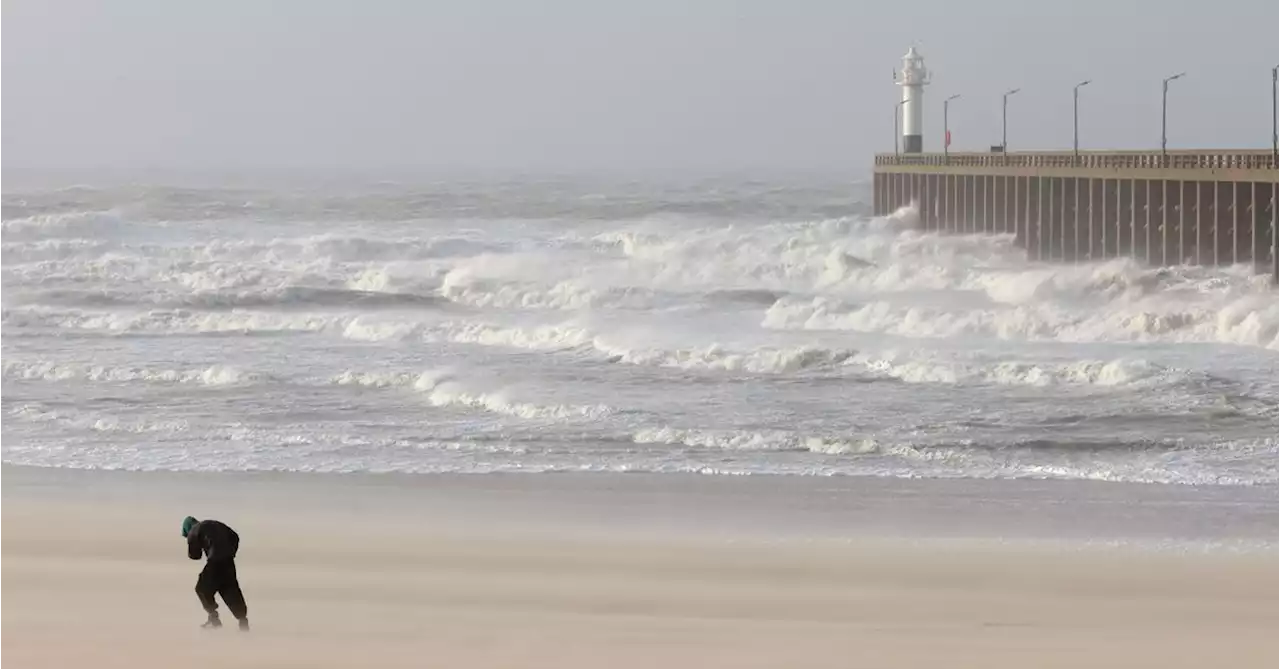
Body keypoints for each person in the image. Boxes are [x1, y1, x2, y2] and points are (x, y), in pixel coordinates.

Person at [181, 515, 250, 631]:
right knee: (230, 589)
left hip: (215, 562)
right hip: (228, 561)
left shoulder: (193, 531)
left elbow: (195, 556)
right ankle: (243, 622)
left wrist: (195, 544)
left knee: (202, 589)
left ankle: (214, 620)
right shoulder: (213, 524)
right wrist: (230, 553)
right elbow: (235, 537)